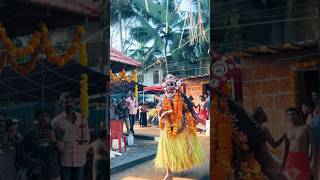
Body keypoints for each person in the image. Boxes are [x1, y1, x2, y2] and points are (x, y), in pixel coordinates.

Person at [155, 74, 205, 180]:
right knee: (167, 150)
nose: (170, 87)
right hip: (168, 127)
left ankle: (182, 166)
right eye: (168, 84)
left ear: (176, 85)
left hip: (181, 125)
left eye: (172, 84)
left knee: (183, 149)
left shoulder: (181, 96)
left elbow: (191, 108)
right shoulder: (163, 98)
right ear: (164, 86)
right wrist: (161, 113)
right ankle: (169, 173)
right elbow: (158, 110)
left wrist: (197, 118)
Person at [52, 92, 90, 180]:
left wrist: (84, 149)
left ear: (74, 103)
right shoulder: (56, 122)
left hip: (80, 159)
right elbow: (54, 141)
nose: (68, 104)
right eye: (66, 102)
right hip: (65, 161)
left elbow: (87, 137)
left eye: (70, 102)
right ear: (61, 104)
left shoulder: (82, 119)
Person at [20, 110, 63, 180]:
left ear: (50, 118)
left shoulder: (55, 131)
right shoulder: (30, 133)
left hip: (53, 172)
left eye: (46, 116)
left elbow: (62, 151)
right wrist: (29, 160)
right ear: (37, 118)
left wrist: (54, 140)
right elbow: (22, 151)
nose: (44, 118)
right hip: (35, 173)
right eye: (41, 116)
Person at [252, 107, 288, 180]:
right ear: (260, 115)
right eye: (264, 112)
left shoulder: (252, 127)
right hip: (264, 155)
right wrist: (283, 136)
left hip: (255, 155)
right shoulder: (263, 128)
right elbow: (274, 145)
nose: (266, 114)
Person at [282, 107, 316, 180]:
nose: (291, 116)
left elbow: (313, 145)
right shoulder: (287, 131)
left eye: (293, 114)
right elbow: (285, 150)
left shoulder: (306, 128)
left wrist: (312, 162)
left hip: (302, 158)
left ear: (298, 115)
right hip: (290, 159)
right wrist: (283, 164)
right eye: (289, 115)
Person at [302, 100, 320, 179]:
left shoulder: (317, 118)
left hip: (317, 143)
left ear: (311, 107)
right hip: (312, 145)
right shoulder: (309, 117)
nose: (303, 109)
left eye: (305, 107)